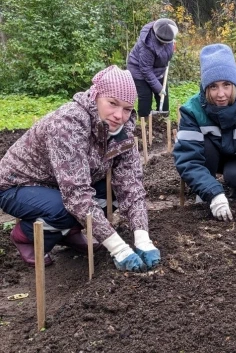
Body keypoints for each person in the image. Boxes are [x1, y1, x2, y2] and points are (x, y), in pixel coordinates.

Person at [0, 66, 161, 272]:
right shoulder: (68, 123)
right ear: (95, 96)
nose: (119, 115)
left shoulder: (123, 129)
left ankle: (70, 233)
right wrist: (118, 248)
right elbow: (76, 194)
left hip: (60, 184)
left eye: (127, 108)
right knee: (65, 210)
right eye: (112, 103)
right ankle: (26, 235)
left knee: (113, 191)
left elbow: (131, 183)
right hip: (18, 185)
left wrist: (142, 238)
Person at [173, 44, 236, 224]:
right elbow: (188, 159)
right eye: (213, 87)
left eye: (227, 85)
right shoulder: (191, 111)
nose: (221, 94)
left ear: (235, 83)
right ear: (206, 88)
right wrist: (213, 193)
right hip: (210, 158)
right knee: (205, 149)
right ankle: (205, 189)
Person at [127, 18, 178, 118]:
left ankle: (162, 121)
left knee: (164, 98)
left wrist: (171, 48)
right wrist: (158, 88)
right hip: (139, 70)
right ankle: (144, 122)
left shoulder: (167, 30)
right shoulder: (146, 46)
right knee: (145, 98)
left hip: (158, 69)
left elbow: (167, 49)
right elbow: (146, 70)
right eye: (163, 42)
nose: (165, 44)